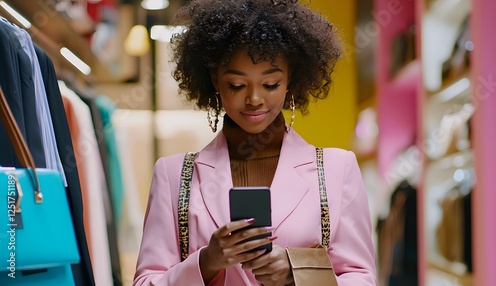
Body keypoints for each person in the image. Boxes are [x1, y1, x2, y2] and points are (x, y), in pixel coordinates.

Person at [133, 0, 377, 285]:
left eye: (271, 84)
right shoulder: (173, 176)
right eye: (236, 85)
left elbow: (361, 278)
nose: (254, 100)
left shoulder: (337, 169)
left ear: (290, 81)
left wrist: (296, 270)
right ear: (214, 80)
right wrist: (206, 261)